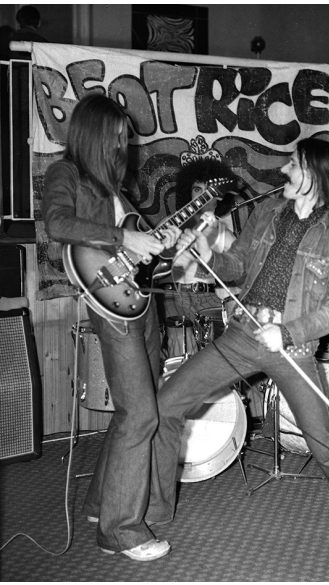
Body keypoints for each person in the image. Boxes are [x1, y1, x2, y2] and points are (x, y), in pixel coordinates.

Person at [147, 137, 329, 529]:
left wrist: (288, 332)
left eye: (293, 164)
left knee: (321, 438)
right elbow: (238, 264)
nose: (284, 171)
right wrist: (208, 258)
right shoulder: (268, 210)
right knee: (167, 402)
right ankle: (155, 508)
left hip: (291, 347)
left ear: (315, 175)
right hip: (241, 335)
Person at [42, 94, 180, 561]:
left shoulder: (113, 185)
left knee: (134, 411)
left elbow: (134, 248)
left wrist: (161, 241)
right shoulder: (67, 173)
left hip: (139, 305)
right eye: (118, 134)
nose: (125, 142)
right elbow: (58, 223)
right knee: (141, 414)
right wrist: (127, 237)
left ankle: (102, 506)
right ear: (97, 132)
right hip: (110, 309)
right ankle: (120, 531)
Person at [159, 157, 250, 361]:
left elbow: (239, 277)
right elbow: (157, 278)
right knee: (178, 368)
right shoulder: (170, 226)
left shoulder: (223, 234)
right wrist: (174, 321)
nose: (202, 196)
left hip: (210, 304)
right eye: (197, 190)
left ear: (218, 197)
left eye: (208, 191)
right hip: (174, 300)